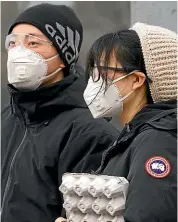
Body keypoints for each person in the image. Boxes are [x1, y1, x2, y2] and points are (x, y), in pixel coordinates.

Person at [1, 3, 119, 222]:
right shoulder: (7, 118)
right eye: (13, 43)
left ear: (65, 53)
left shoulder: (91, 135)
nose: (19, 52)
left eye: (33, 43)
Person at [84, 23, 177, 222]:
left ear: (136, 79)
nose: (94, 81)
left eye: (103, 71)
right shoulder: (135, 136)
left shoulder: (157, 142)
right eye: (93, 72)